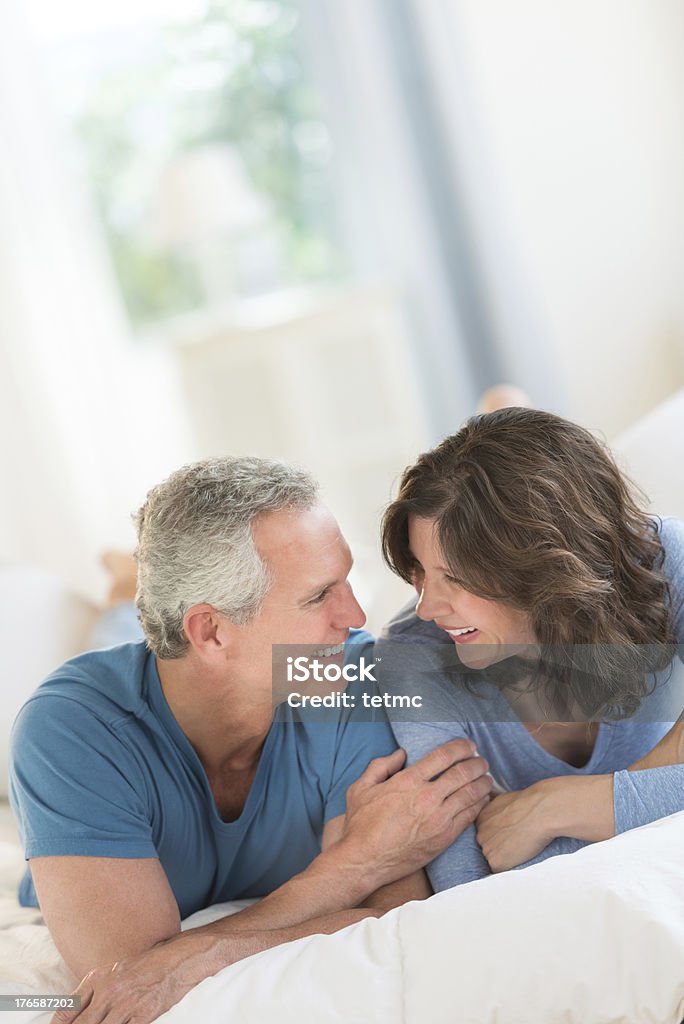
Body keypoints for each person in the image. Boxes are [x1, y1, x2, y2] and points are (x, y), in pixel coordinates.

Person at [9, 456, 492, 1024]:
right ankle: (122, 591)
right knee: (128, 640)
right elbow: (136, 976)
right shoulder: (70, 731)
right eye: (319, 597)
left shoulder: (349, 674)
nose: (357, 616)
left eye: (347, 581)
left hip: (199, 654)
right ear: (211, 629)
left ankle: (125, 592)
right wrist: (356, 860)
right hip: (159, 671)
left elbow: (391, 909)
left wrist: (210, 948)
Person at [376, 407, 684, 891]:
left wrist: (562, 806)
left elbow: (513, 852)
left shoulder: (664, 562)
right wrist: (654, 791)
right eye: (420, 571)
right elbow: (469, 887)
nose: (428, 607)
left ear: (544, 569)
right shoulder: (411, 662)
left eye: (455, 578)